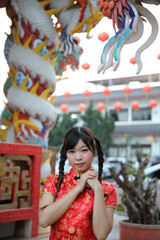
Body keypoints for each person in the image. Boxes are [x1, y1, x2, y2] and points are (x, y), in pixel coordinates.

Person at [39, 127, 117, 240]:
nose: (78, 157)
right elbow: (43, 221)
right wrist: (78, 187)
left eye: (84, 150)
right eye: (72, 151)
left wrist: (98, 190)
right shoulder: (54, 182)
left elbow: (101, 235)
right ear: (66, 154)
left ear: (93, 151)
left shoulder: (107, 189)